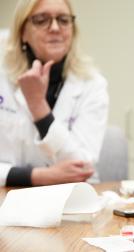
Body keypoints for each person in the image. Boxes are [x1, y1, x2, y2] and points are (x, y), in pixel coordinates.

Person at [0, 0, 109, 187]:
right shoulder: (3, 78)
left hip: (70, 201)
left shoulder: (92, 85)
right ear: (22, 32)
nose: (55, 28)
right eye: (41, 20)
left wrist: (38, 106)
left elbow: (80, 167)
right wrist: (38, 176)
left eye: (63, 20)